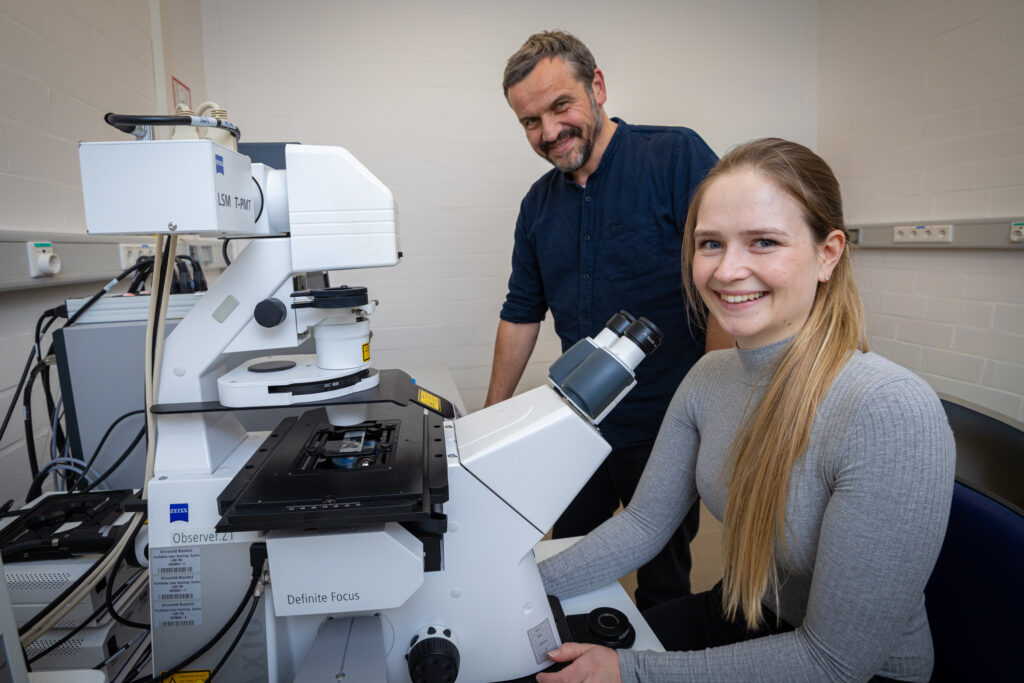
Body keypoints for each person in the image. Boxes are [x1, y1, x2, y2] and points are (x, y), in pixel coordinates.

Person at [534, 138, 956, 683]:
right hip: (748, 610)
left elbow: (836, 662)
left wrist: (632, 672)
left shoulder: (889, 411)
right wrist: (518, 584)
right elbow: (642, 524)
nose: (728, 270)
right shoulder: (709, 376)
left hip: (849, 667)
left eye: (763, 242)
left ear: (828, 253)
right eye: (710, 243)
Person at [488, 30, 725, 610]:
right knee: (564, 557)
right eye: (529, 122)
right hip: (577, 425)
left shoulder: (675, 157)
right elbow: (521, 313)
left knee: (662, 579)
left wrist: (715, 413)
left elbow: (724, 282)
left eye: (560, 106)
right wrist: (487, 429)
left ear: (596, 87)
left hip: (668, 428)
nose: (548, 133)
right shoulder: (537, 205)